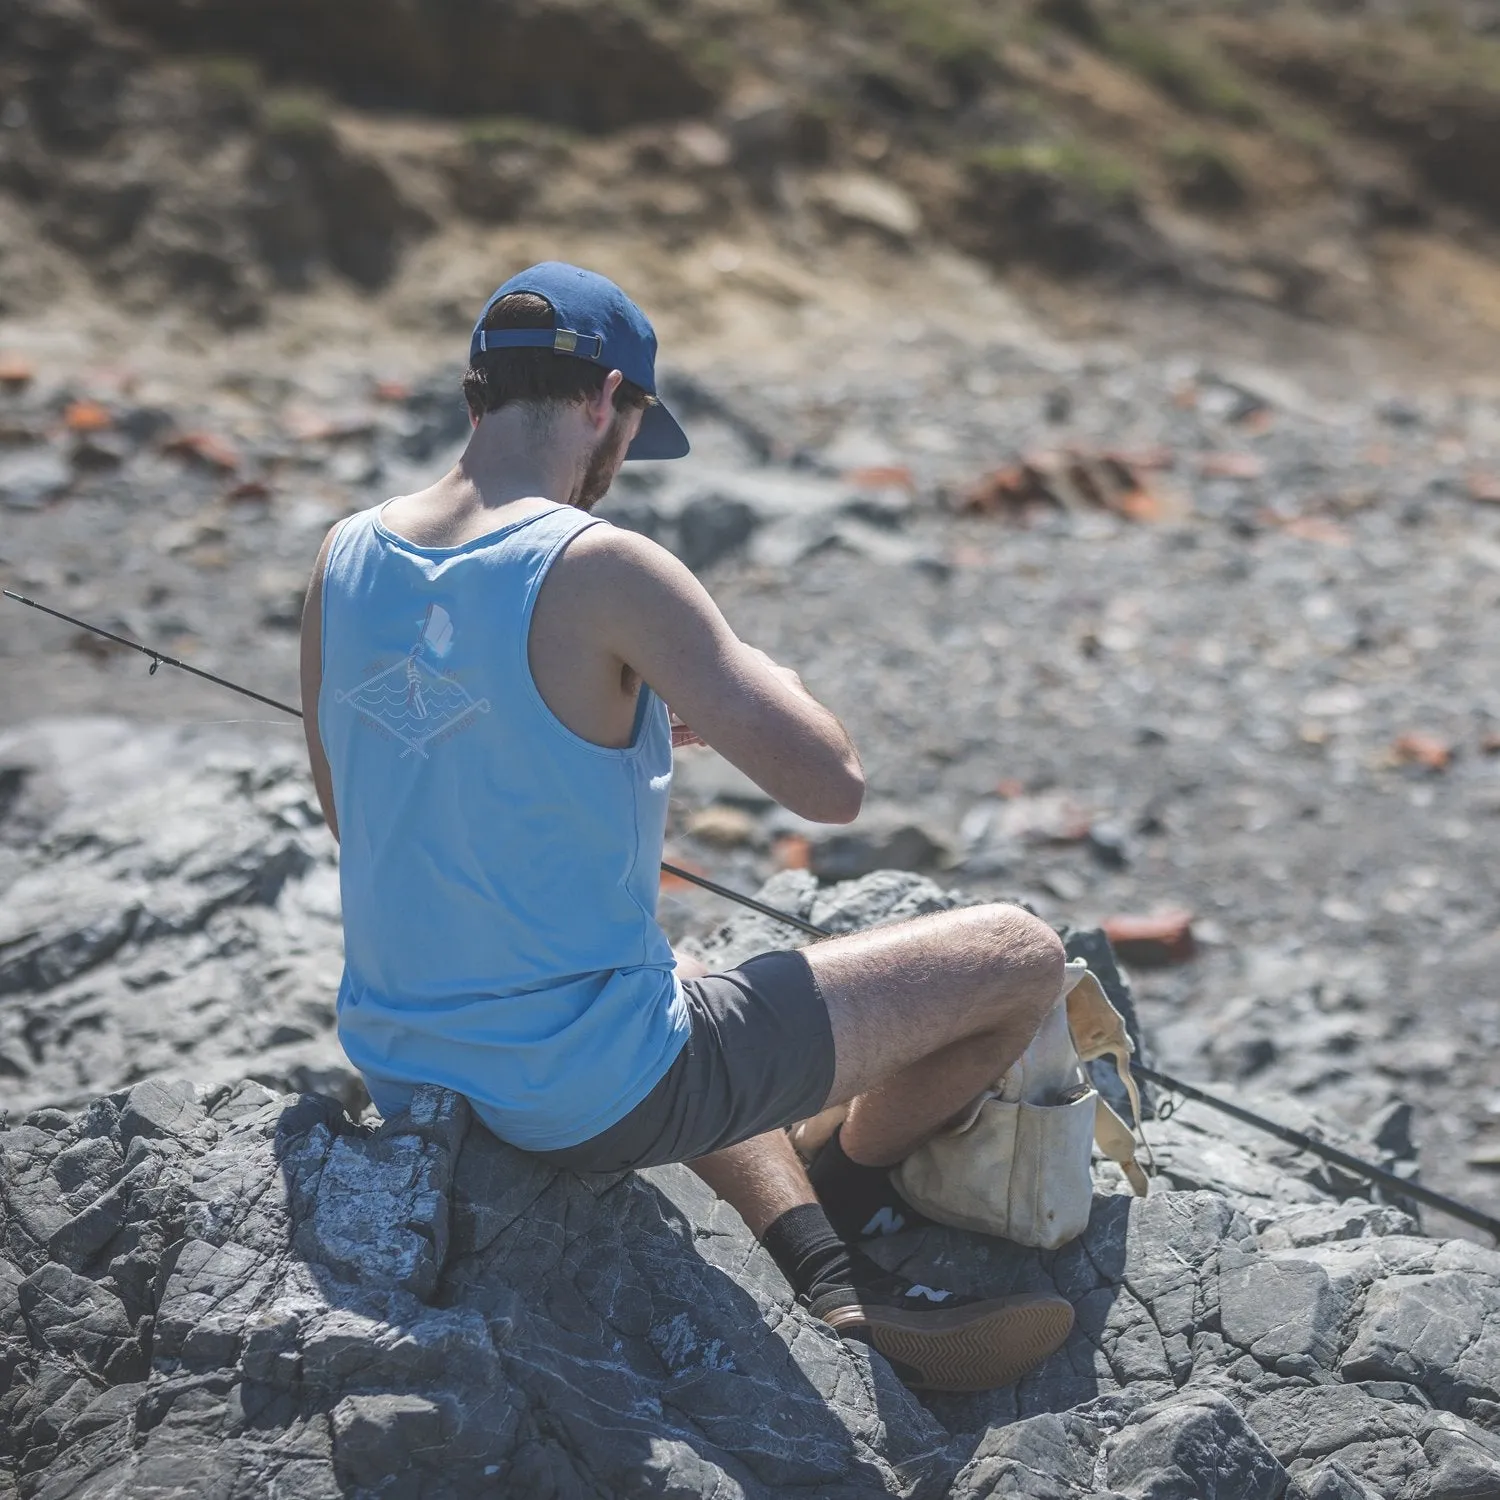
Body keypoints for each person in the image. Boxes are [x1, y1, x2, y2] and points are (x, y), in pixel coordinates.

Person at [299, 261, 1076, 1392]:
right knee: (1020, 954)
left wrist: (611, 705)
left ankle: (825, 1277)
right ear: (606, 399)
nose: (617, 468)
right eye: (628, 432)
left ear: (477, 394)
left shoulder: (346, 553)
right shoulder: (598, 561)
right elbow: (832, 784)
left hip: (403, 1062)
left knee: (675, 975)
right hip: (576, 1090)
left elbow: (351, 811)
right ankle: (852, 1203)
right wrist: (751, 672)